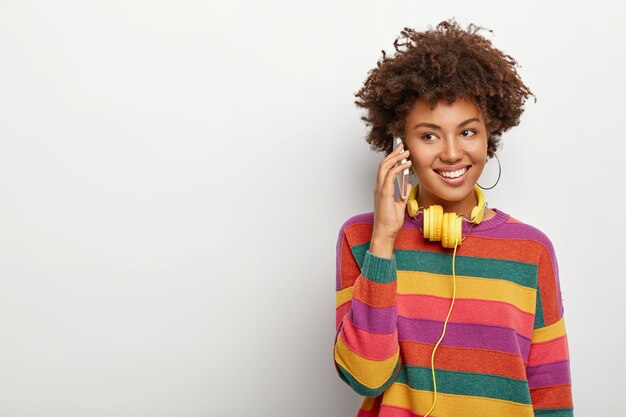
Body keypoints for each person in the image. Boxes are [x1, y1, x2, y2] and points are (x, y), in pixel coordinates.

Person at [333, 19, 574, 417]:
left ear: (488, 135)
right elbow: (366, 377)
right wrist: (384, 242)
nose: (450, 153)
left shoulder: (531, 251)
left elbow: (551, 394)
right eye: (429, 135)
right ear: (400, 145)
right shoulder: (361, 237)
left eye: (467, 132)